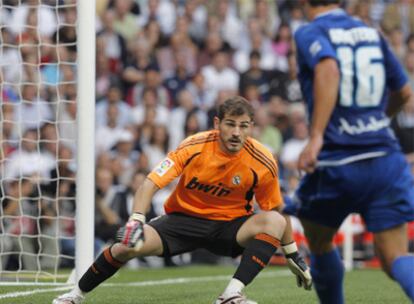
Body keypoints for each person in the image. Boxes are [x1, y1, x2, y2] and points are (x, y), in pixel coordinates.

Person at [52, 96, 312, 304]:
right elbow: (149, 183)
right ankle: (74, 296)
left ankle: (231, 295)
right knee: (127, 247)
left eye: (243, 126)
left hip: (229, 228)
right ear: (217, 123)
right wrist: (135, 221)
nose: (236, 132)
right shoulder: (193, 146)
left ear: (251, 128)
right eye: (230, 124)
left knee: (274, 220)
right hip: (181, 221)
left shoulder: (263, 160)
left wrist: (292, 255)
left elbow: (276, 210)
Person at [286, 0, 414, 303]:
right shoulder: (370, 31)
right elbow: (405, 91)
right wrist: (377, 120)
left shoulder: (309, 31)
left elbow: (328, 69)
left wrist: (316, 136)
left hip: (337, 160)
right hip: (384, 159)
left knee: (317, 239)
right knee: (394, 256)